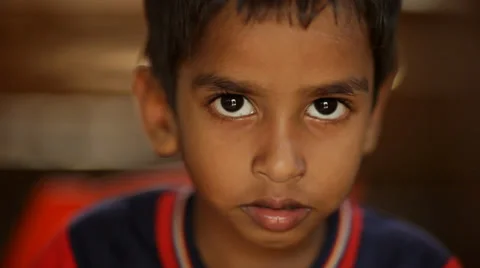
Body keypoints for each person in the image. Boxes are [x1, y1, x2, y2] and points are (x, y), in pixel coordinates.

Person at [35, 0, 462, 267]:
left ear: (373, 116)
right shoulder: (86, 254)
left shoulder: (418, 262)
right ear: (162, 111)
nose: (280, 165)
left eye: (326, 107)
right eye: (233, 104)